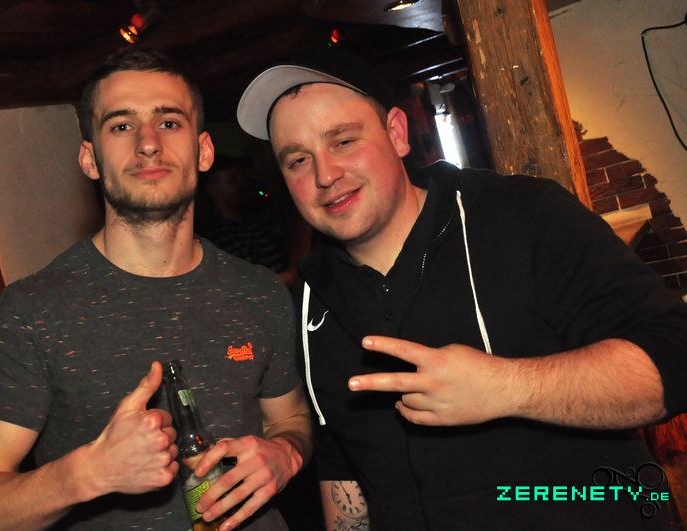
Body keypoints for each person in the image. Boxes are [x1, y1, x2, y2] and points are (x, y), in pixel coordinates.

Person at [236, 47, 687, 530]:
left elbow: (675, 356)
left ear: (396, 133)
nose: (325, 175)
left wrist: (507, 387)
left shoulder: (520, 216)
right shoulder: (309, 296)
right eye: (298, 160)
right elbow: (344, 468)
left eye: (343, 141)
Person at [0, 48, 311, 531]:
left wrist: (284, 453)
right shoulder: (34, 310)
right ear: (89, 158)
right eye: (121, 125)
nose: (148, 143)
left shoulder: (259, 292)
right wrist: (85, 475)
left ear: (204, 151)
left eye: (169, 123)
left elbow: (290, 419)